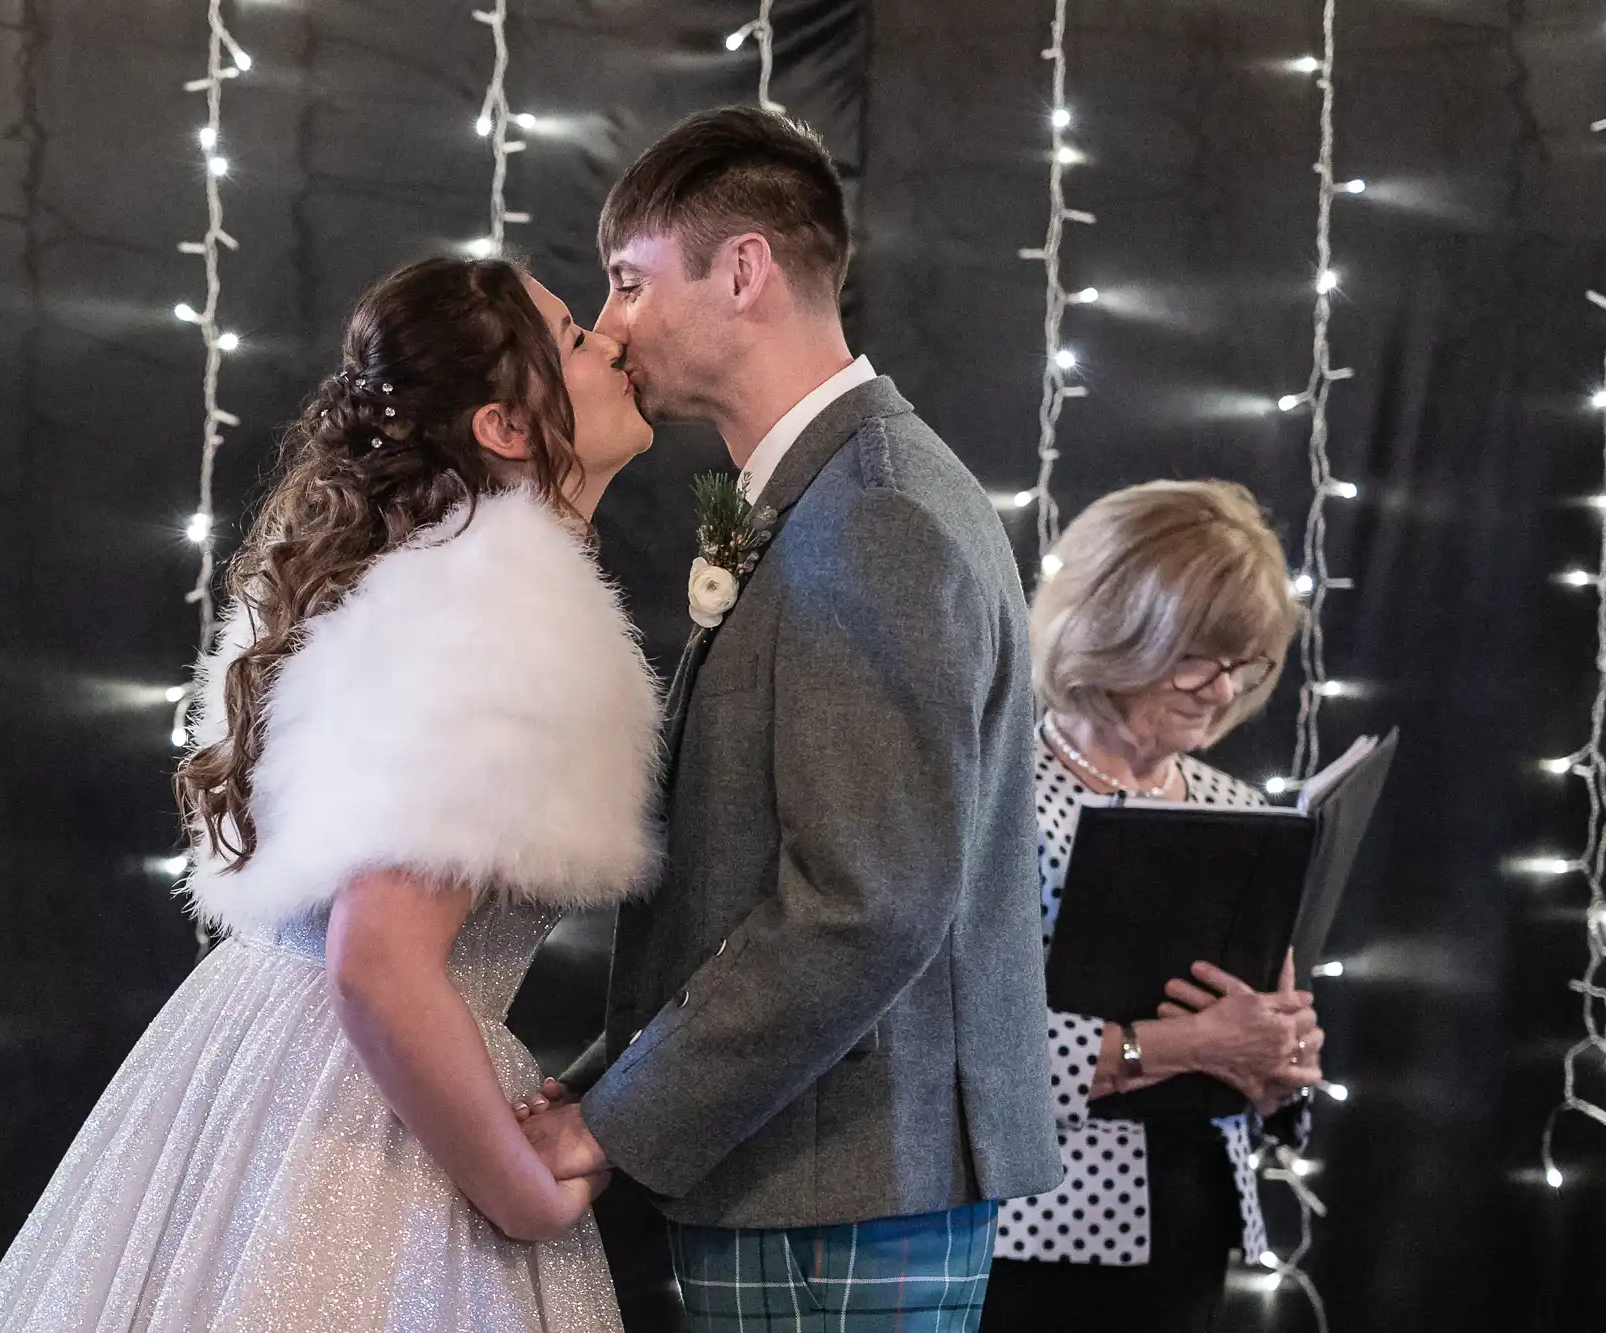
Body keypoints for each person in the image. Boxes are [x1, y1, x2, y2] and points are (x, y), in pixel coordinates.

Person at [0, 256, 661, 1332]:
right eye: (572, 338)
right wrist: (522, 1195)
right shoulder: (497, 611)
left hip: (248, 1076)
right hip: (361, 1114)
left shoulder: (406, 577)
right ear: (506, 429)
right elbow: (378, 960)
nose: (611, 343)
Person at [519, 106, 1063, 1331]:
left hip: (834, 1186)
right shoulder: (837, 492)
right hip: (817, 1174)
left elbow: (860, 908)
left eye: (626, 281)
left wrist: (612, 1124)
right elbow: (748, 884)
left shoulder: (870, 514)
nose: (608, 329)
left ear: (743, 268)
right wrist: (609, 1082)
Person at [978, 479, 1325, 1333]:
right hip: (1036, 1239)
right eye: (1194, 655)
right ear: (1112, 628)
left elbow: (1266, 1054)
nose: (1219, 688)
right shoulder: (993, 795)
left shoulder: (1240, 809)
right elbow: (963, 1045)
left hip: (1193, 1229)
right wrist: (1188, 1044)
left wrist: (1283, 1059)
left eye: (1243, 661)